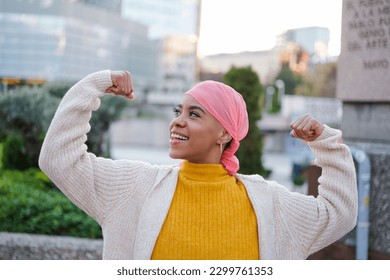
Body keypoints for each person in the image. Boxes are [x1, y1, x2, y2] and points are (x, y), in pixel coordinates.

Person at [39, 70, 358, 260]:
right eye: (179, 111)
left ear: (224, 133)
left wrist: (326, 144)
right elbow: (59, 159)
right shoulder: (135, 187)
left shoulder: (268, 203)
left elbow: (338, 214)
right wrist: (92, 86)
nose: (177, 122)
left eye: (194, 114)